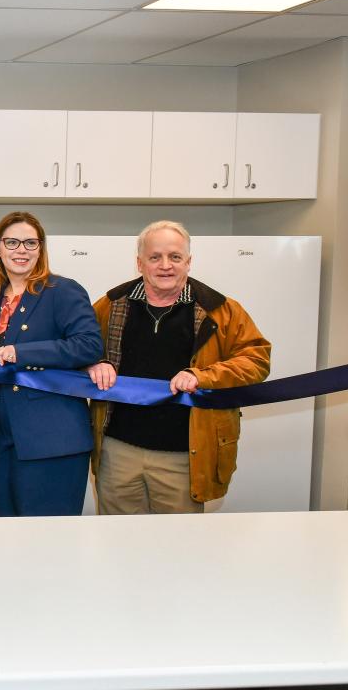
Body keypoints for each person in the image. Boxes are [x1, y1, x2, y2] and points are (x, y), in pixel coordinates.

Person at [87, 220, 271, 514]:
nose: (165, 266)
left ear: (188, 261)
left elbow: (257, 360)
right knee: (117, 537)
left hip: (186, 455)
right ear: (139, 263)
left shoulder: (222, 311)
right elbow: (79, 347)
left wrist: (202, 376)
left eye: (175, 257)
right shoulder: (109, 305)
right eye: (155, 257)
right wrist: (94, 363)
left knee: (181, 540)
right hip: (117, 451)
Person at [0, 211, 102, 516]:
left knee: (47, 535)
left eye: (30, 243)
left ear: (40, 248)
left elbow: (89, 345)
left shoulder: (62, 291)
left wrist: (23, 353)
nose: (22, 250)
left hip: (50, 438)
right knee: (7, 532)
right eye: (12, 242)